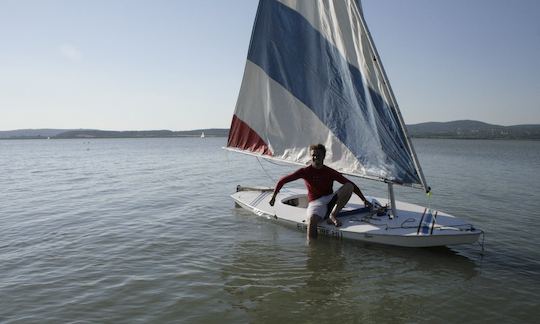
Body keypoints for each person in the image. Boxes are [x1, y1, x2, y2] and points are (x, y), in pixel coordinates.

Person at [269, 144, 371, 239]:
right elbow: (283, 180)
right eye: (313, 155)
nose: (316, 157)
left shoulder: (330, 172)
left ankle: (332, 215)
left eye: (319, 155)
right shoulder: (305, 172)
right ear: (311, 156)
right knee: (312, 221)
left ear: (324, 156)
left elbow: (351, 184)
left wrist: (364, 200)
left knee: (349, 186)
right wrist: (273, 196)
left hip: (330, 198)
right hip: (316, 203)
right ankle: (312, 250)